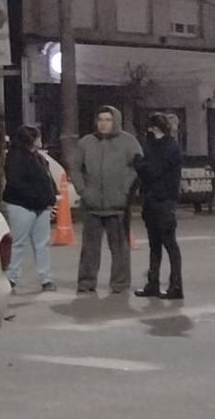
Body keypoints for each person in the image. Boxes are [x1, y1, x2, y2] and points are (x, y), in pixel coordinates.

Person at [69, 105, 143, 294]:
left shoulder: (129, 142)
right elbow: (75, 167)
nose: (103, 124)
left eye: (108, 120)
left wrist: (126, 190)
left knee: (120, 249)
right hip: (92, 205)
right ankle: (86, 282)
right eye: (100, 119)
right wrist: (83, 190)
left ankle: (120, 284)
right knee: (89, 249)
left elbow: (138, 167)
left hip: (118, 206)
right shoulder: (86, 142)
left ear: (115, 121)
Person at [2, 125, 57, 293]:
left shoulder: (38, 157)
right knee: (19, 243)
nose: (41, 140)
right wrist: (39, 198)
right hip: (22, 206)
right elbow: (17, 183)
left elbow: (47, 180)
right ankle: (11, 279)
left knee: (42, 244)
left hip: (40, 207)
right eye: (38, 137)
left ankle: (45, 278)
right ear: (31, 139)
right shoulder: (16, 157)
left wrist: (51, 197)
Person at [134, 112, 183, 300]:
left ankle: (176, 285)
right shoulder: (152, 146)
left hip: (164, 201)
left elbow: (153, 170)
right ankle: (153, 283)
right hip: (152, 200)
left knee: (169, 243)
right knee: (154, 244)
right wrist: (143, 165)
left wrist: (140, 165)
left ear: (155, 128)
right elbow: (147, 168)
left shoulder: (170, 147)